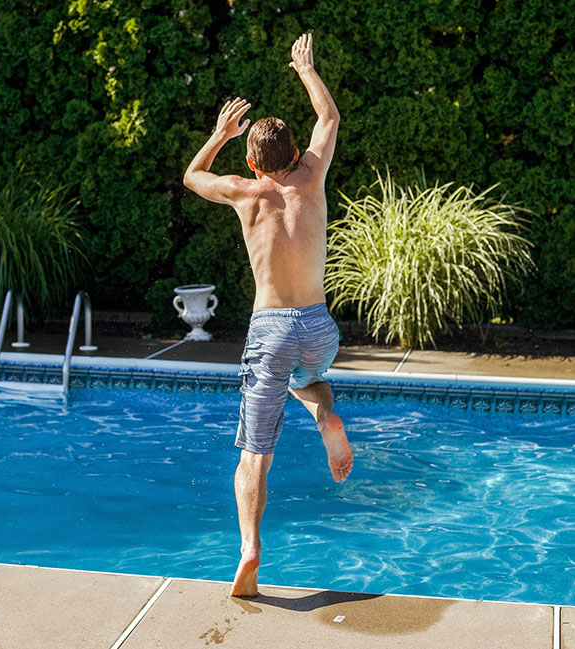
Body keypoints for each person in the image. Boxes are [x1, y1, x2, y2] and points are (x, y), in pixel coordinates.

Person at [183, 33, 353, 597]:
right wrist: (306, 68)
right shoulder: (313, 176)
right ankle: (328, 420)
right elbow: (328, 116)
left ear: (253, 161)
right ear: (292, 154)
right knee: (312, 382)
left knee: (255, 453)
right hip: (319, 329)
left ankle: (251, 549)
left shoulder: (244, 191)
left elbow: (192, 177)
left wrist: (218, 135)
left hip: (272, 330)